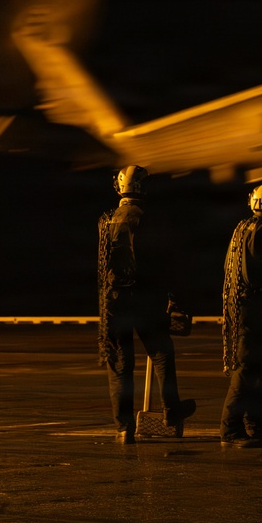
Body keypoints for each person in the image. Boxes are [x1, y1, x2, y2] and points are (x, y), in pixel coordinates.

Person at [97, 165, 196, 444]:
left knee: (120, 364)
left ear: (119, 188)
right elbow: (169, 266)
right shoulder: (153, 220)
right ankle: (170, 411)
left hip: (115, 302)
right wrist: (177, 301)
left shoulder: (108, 220)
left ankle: (124, 428)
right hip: (147, 299)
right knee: (162, 353)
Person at [220, 183, 262, 448]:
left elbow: (228, 267)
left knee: (261, 365)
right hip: (254, 309)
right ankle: (230, 429)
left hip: (239, 306)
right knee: (249, 368)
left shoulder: (240, 228)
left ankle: (256, 424)